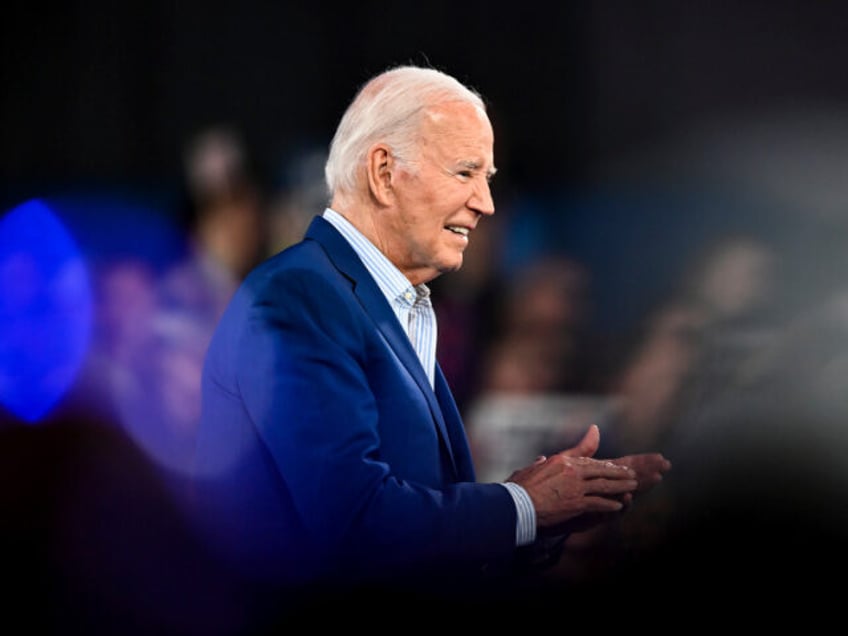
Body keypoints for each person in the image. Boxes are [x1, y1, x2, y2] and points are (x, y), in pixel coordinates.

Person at [191, 64, 671, 621]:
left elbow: (424, 538)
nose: (486, 203)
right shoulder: (299, 297)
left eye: (487, 177)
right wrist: (522, 505)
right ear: (384, 173)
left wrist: (545, 519)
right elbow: (353, 523)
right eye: (465, 172)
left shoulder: (392, 301)